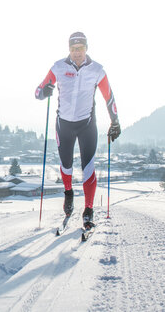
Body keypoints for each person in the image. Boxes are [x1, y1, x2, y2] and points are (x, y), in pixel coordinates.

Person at [35, 32, 121, 231]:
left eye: (80, 49)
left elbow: (109, 97)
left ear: (86, 49)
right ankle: (68, 194)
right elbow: (38, 91)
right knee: (66, 166)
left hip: (87, 125)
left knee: (88, 168)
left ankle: (88, 210)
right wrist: (45, 92)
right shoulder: (58, 67)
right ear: (69, 50)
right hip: (63, 125)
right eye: (73, 50)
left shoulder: (97, 70)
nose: (77, 53)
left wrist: (115, 122)